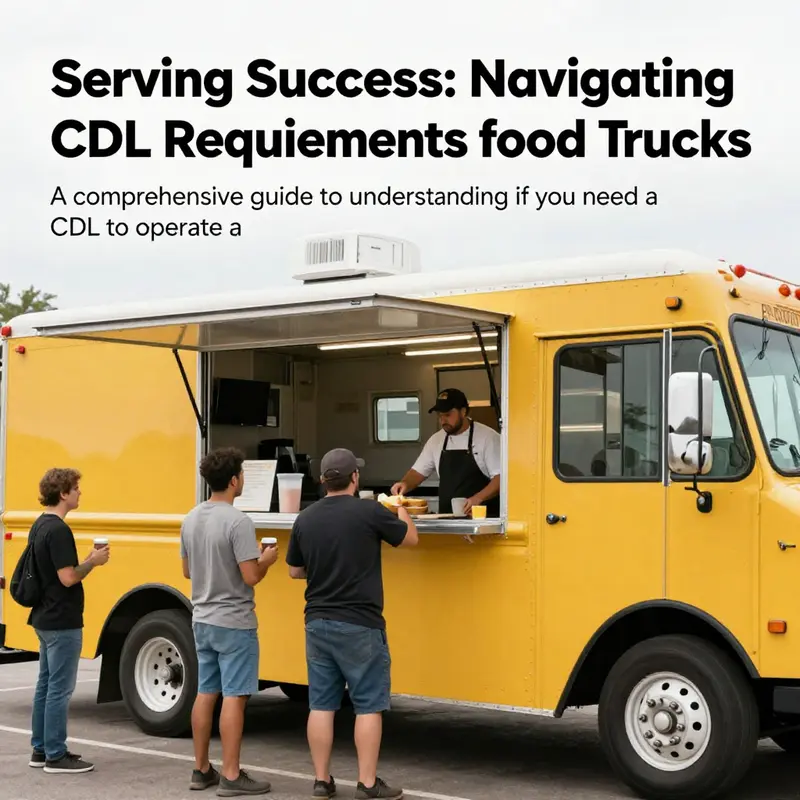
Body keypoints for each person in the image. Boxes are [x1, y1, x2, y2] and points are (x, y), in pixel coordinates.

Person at [286, 448, 419, 800]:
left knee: (321, 704)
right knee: (368, 705)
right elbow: (410, 538)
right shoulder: (369, 511)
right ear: (355, 479)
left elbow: (294, 570)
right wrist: (400, 506)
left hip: (317, 622)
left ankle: (321, 780)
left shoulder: (306, 518)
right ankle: (368, 782)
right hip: (360, 623)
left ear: (323, 481)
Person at [180, 447, 279, 797]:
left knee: (206, 692)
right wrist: (266, 559)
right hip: (234, 621)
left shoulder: (190, 518)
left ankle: (201, 768)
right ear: (235, 480)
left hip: (202, 618)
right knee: (235, 697)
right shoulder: (238, 522)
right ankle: (232, 775)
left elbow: (187, 571)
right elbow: (250, 576)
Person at [28, 467, 110, 774]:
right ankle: (55, 755)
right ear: (63, 493)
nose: (79, 493)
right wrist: (93, 561)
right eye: (76, 488)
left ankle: (40, 749)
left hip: (43, 616)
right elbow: (67, 577)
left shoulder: (40, 525)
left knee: (46, 685)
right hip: (62, 618)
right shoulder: (59, 530)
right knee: (59, 689)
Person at [392, 388, 501, 517]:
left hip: (481, 522)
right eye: (440, 415)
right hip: (447, 520)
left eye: (448, 414)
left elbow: (501, 478)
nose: (443, 420)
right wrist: (404, 484)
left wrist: (478, 498)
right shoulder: (436, 440)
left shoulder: (488, 437)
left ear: (463, 411)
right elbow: (418, 471)